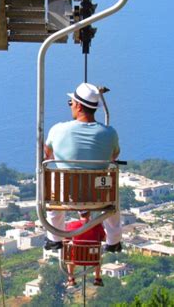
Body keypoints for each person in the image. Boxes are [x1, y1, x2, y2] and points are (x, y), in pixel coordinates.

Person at [43, 83, 122, 253]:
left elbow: (47, 154)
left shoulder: (58, 130)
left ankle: (54, 238)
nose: (70, 106)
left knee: (55, 189)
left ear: (78, 106)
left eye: (70, 103)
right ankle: (114, 240)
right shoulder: (110, 133)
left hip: (67, 196)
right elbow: (113, 157)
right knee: (112, 194)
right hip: (99, 195)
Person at [65, 211, 106, 287]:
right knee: (98, 254)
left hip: (76, 258)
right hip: (93, 259)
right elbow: (103, 238)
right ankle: (97, 278)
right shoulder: (96, 225)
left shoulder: (72, 225)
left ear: (79, 214)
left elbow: (66, 239)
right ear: (89, 213)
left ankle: (71, 278)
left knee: (70, 255)